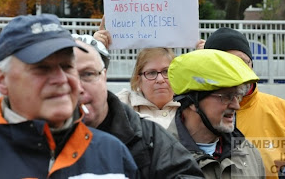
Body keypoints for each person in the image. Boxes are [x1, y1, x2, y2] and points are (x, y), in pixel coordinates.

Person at [0, 14, 138, 178]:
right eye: (42, 68)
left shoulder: (112, 152)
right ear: (2, 80)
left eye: (67, 66)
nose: (61, 79)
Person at [72, 34, 205, 179]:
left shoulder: (192, 107)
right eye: (151, 73)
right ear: (138, 79)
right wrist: (96, 49)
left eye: (166, 72)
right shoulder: (119, 106)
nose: (160, 79)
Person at [204, 27, 285, 178]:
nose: (234, 70)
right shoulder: (193, 116)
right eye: (225, 63)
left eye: (241, 62)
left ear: (252, 66)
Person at [168, 49, 265, 178]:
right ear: (192, 102)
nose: (236, 105)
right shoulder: (159, 158)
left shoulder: (248, 153)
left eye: (238, 96)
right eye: (226, 96)